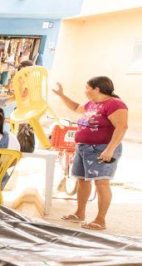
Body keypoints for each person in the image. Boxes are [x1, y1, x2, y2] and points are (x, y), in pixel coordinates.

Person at [53, 76, 128, 231]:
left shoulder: (115, 104)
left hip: (101, 149)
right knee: (82, 180)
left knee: (101, 182)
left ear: (97, 89)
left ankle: (100, 220)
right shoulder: (92, 104)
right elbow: (75, 108)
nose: (85, 91)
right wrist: (61, 95)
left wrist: (110, 149)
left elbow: (122, 127)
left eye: (87, 88)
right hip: (84, 148)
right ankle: (80, 213)